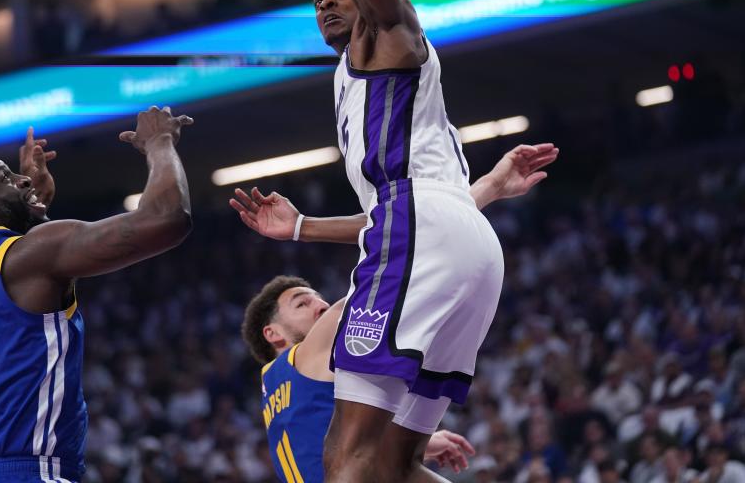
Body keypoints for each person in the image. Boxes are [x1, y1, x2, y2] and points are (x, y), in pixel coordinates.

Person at [233, 144, 559, 482]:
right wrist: (488, 187)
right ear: (272, 333)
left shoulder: (276, 389)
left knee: (400, 469)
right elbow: (407, 236)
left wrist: (419, 441)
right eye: (301, 303)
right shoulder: (310, 351)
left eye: (316, 298)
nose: (321, 305)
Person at [0, 107, 193, 483]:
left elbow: (7, 298)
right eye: (6, 178)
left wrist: (28, 208)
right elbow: (166, 218)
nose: (23, 180)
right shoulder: (30, 255)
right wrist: (159, 141)